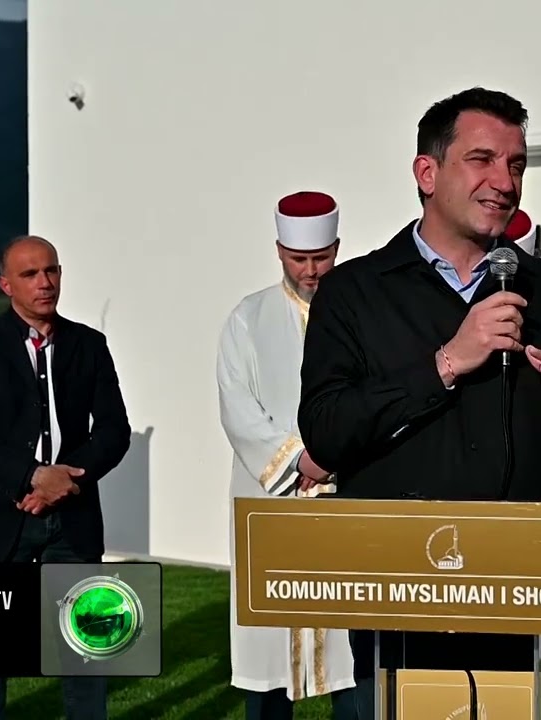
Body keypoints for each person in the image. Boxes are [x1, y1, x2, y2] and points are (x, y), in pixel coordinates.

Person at [297, 86, 541, 720]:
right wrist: (446, 362)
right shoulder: (354, 292)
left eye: (516, 164)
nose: (505, 182)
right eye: (482, 160)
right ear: (426, 173)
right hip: (401, 604)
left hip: (532, 604)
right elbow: (326, 432)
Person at [0, 235, 131, 720]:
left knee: (86, 649)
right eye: (30, 274)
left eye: (51, 270)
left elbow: (114, 430)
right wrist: (31, 477)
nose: (44, 282)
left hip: (73, 519)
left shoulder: (89, 345)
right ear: (6, 284)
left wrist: (66, 482)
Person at [216, 190, 359, 718]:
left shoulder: (363, 314)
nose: (311, 270)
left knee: (352, 649)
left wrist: (334, 455)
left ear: (337, 249)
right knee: (270, 647)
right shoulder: (247, 318)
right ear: (279, 251)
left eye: (321, 257)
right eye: (299, 258)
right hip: (271, 503)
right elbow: (237, 407)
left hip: (347, 498)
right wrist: (299, 460)